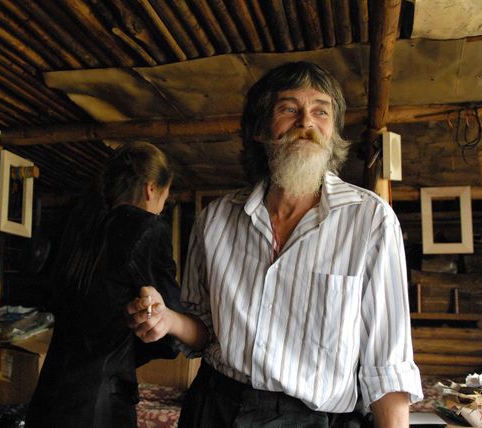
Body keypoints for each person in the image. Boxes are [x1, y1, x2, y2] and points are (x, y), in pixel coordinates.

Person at [127, 61, 423, 427]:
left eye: (321, 111)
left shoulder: (371, 221)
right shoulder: (215, 219)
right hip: (214, 407)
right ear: (259, 130)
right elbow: (205, 331)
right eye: (288, 109)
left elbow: (387, 366)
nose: (306, 122)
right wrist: (168, 319)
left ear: (332, 132)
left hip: (312, 419)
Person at [25, 142, 184, 428]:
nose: (161, 207)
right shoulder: (148, 229)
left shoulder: (78, 225)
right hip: (99, 405)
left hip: (50, 396)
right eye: (165, 196)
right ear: (151, 189)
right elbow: (170, 339)